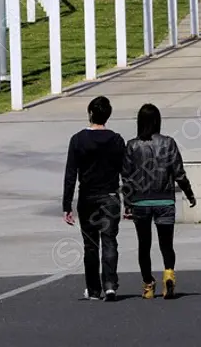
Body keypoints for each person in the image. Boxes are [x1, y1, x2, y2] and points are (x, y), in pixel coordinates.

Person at [121, 103, 196, 300]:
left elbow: (127, 177)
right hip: (164, 200)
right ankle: (169, 273)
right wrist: (189, 194)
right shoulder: (168, 143)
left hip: (140, 202)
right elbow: (178, 172)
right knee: (166, 244)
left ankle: (148, 284)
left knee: (144, 246)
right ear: (157, 121)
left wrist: (127, 203)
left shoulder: (132, 145)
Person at [62, 95, 125, 301]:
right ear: (108, 116)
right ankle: (110, 284)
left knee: (90, 244)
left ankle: (93, 289)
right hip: (110, 196)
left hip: (87, 197)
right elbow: (125, 171)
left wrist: (67, 205)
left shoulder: (78, 139)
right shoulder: (116, 140)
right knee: (109, 241)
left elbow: (71, 174)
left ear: (90, 113)